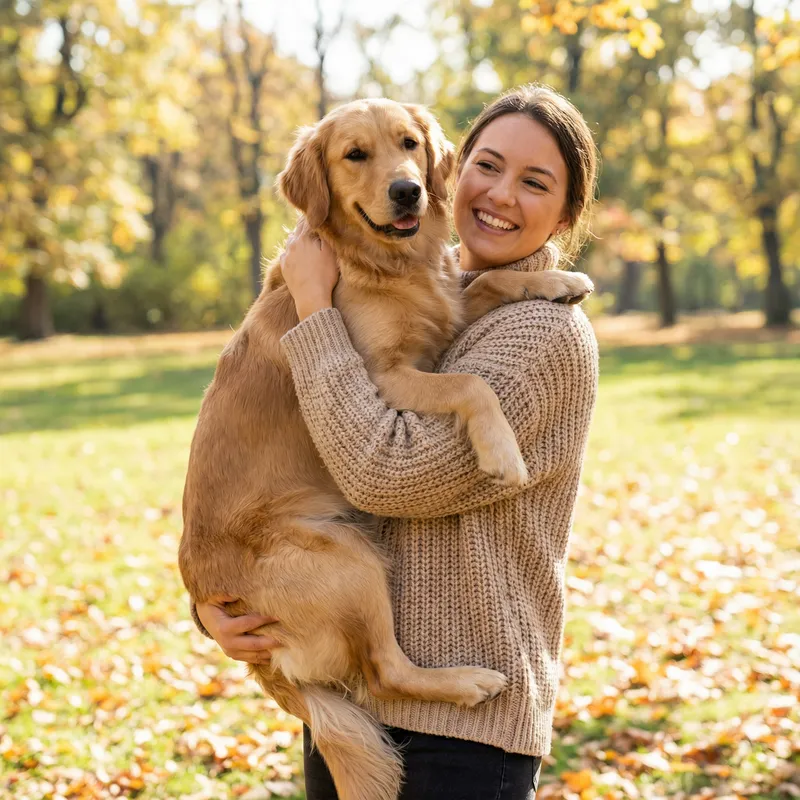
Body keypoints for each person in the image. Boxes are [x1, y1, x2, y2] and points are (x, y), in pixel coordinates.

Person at [193, 84, 599, 800]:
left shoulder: (547, 333)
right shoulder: (427, 282)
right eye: (489, 165)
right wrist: (216, 604)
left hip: (465, 733)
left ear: (567, 214)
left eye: (534, 183)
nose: (500, 193)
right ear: (461, 167)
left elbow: (385, 473)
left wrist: (314, 304)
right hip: (360, 688)